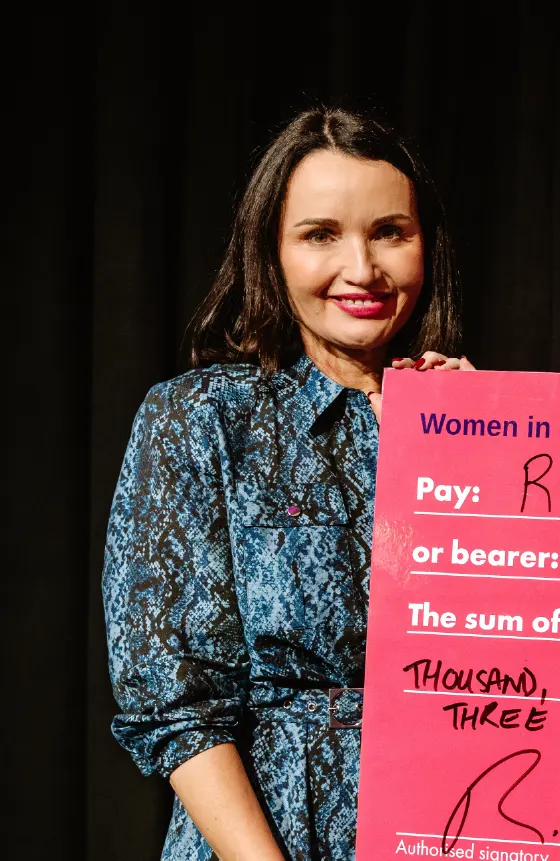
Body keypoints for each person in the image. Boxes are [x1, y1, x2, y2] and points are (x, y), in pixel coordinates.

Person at [103, 107, 471, 861]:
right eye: (320, 234)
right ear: (271, 251)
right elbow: (173, 702)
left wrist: (488, 444)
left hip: (451, 823)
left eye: (390, 232)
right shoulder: (200, 419)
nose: (363, 269)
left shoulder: (477, 425)